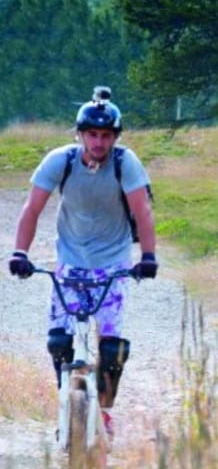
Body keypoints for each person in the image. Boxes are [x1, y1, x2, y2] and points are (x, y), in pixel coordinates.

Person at [8, 85, 158, 437]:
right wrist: (20, 253)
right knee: (59, 341)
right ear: (79, 135)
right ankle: (67, 403)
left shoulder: (125, 163)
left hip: (113, 263)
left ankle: (103, 410)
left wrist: (148, 257)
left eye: (106, 136)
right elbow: (32, 208)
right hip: (71, 261)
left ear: (115, 137)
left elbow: (142, 211)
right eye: (92, 135)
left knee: (112, 348)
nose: (98, 142)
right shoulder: (61, 161)